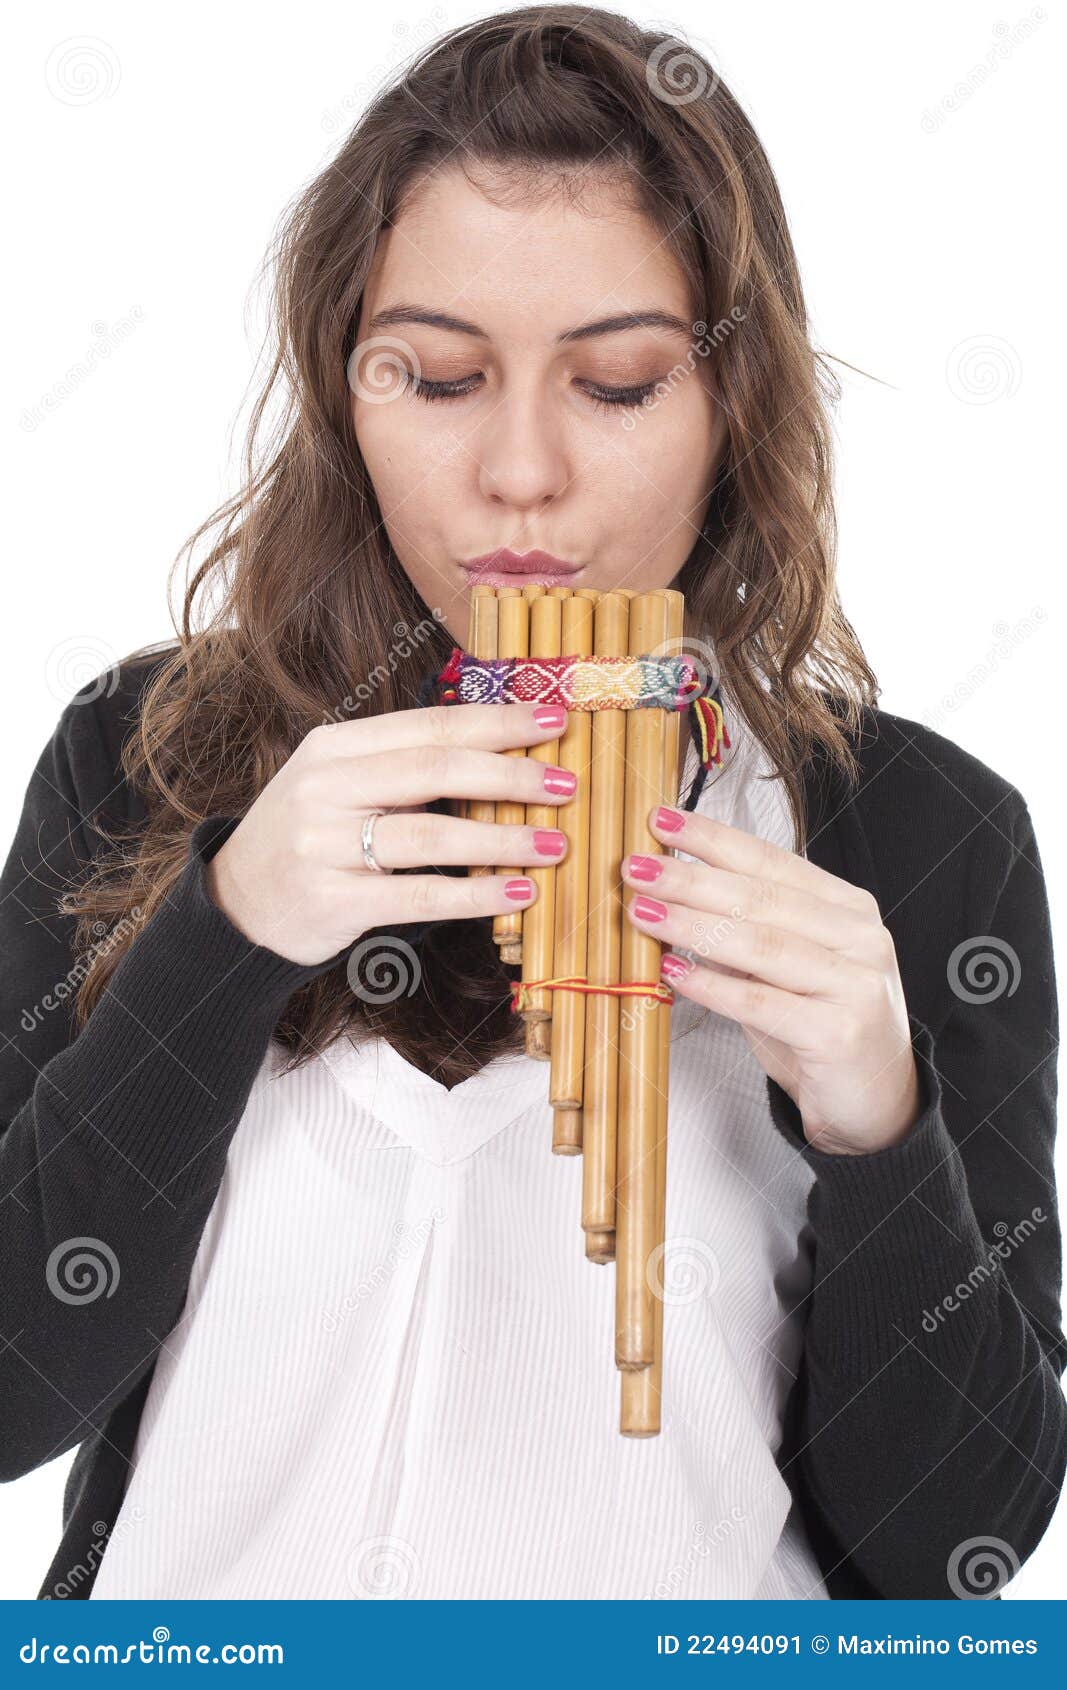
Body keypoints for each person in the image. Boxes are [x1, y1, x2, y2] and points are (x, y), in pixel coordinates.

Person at [2, 5, 1063, 1601]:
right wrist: (222, 934)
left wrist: (876, 1117)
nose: (519, 472)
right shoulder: (142, 747)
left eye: (620, 383)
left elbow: (947, 1547)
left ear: (734, 408)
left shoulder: (924, 832)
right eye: (433, 375)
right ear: (343, 394)